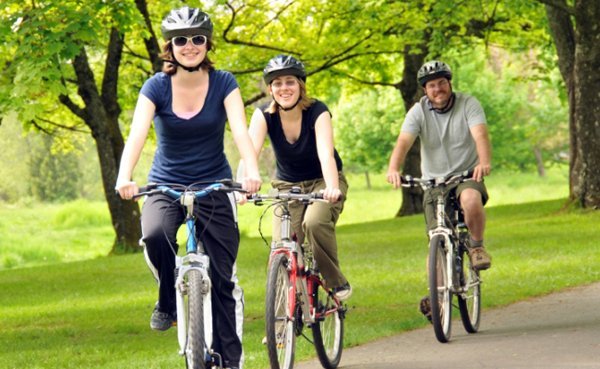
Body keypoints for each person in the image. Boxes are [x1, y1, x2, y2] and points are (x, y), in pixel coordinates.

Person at [114, 6, 261, 369]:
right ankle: (167, 300)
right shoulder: (156, 86)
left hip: (214, 184)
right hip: (165, 184)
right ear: (170, 46)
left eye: (197, 39)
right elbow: (136, 134)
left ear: (207, 43)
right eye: (181, 40)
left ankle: (230, 361)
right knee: (155, 234)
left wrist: (252, 171)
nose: (190, 46)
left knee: (223, 281)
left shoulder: (225, 82)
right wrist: (124, 176)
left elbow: (241, 131)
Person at [386, 60, 492, 317]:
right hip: (434, 182)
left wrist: (484, 161)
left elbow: (480, 135)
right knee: (436, 237)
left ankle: (476, 246)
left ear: (449, 83)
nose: (437, 89)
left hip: (466, 174)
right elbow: (404, 142)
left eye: (441, 83)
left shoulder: (468, 103)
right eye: (432, 86)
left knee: (470, 200)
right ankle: (438, 296)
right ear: (425, 90)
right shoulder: (418, 111)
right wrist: (393, 168)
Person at [243, 54, 352, 301]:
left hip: (322, 181)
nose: (284, 88)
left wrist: (332, 187)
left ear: (300, 85)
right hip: (287, 186)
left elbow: (326, 155)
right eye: (277, 83)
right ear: (270, 88)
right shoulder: (264, 115)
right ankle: (280, 321)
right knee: (281, 247)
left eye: (290, 81)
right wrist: (243, 186)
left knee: (313, 222)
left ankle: (335, 281)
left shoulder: (317, 111)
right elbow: (249, 154)